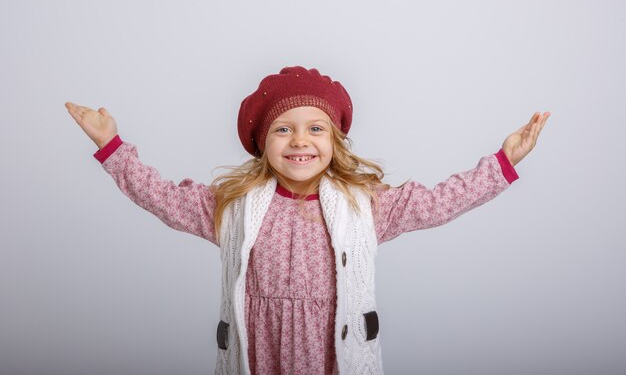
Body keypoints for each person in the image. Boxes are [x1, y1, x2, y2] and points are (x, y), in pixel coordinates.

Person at [65, 65, 550, 375]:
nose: (300, 141)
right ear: (262, 142)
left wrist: (501, 164)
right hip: (261, 350)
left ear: (334, 140)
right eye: (283, 129)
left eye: (315, 129)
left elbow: (442, 200)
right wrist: (113, 148)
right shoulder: (233, 204)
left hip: (334, 351)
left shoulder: (366, 204)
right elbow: (162, 197)